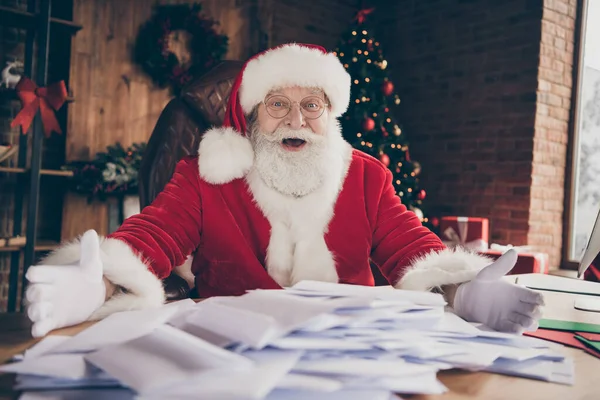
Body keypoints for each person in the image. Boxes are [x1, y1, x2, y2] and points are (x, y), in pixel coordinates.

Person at [24, 43, 544, 338]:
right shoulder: (205, 177)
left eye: (311, 105)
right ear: (250, 117)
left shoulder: (366, 176)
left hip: (352, 356)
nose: (295, 119)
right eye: (277, 104)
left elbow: (413, 248)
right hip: (232, 355)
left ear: (330, 113)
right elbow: (152, 237)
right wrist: (98, 286)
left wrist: (464, 289)